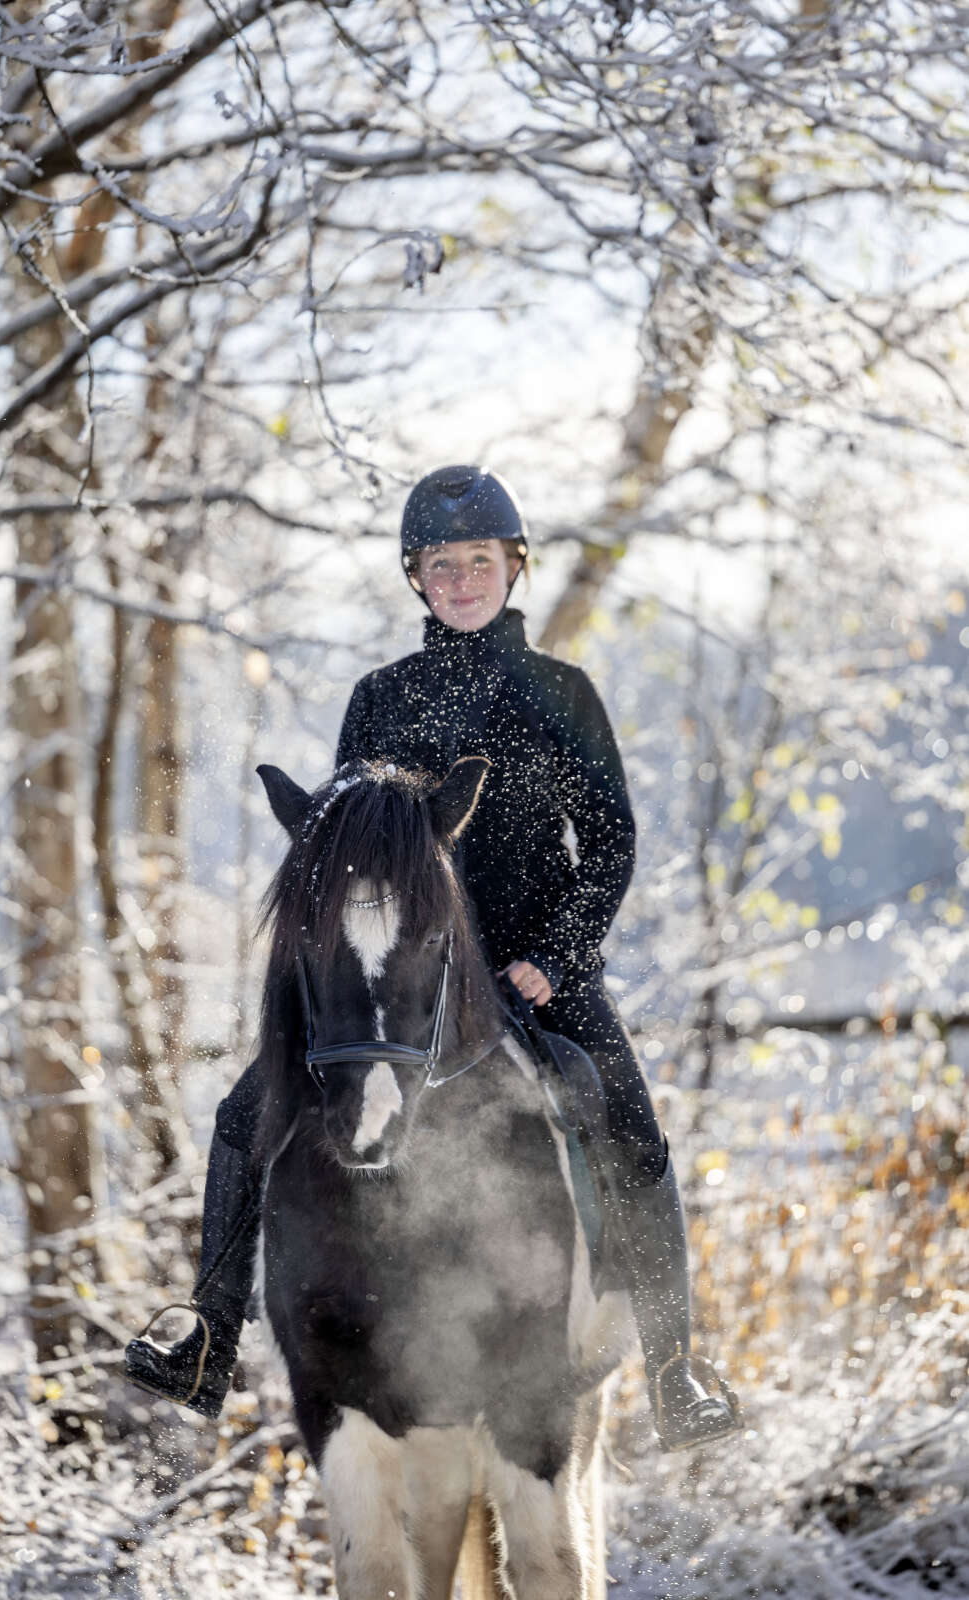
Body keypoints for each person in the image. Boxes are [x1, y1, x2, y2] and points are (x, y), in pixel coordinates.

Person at [125, 465, 740, 1452]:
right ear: (415, 577)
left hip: (533, 972)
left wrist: (557, 951)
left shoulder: (561, 692)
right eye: (440, 564)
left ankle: (674, 1366)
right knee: (246, 1109)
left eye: (477, 562)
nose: (459, 580)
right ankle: (206, 1331)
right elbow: (339, 843)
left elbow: (613, 842)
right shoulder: (378, 698)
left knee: (624, 1108)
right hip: (400, 981)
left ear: (514, 567)